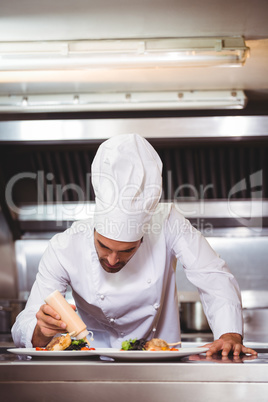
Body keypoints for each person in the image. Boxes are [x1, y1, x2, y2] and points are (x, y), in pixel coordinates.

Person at [12, 134, 257, 357]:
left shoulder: (168, 222)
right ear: (95, 230)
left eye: (127, 250)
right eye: (104, 247)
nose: (112, 260)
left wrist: (229, 333)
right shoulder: (64, 247)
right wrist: (42, 330)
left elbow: (212, 274)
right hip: (91, 364)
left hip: (162, 362)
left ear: (142, 236)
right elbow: (24, 325)